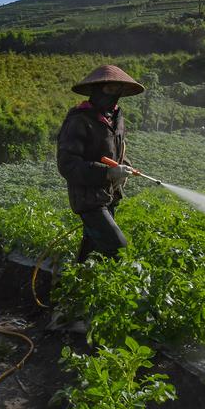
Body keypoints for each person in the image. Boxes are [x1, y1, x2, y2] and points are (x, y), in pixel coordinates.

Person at [57, 64, 145, 261]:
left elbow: (117, 149)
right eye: (109, 89)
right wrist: (107, 173)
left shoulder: (116, 118)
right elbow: (67, 164)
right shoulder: (79, 121)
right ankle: (125, 287)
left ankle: (73, 283)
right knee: (118, 246)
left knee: (93, 248)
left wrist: (125, 165)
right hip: (88, 198)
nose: (113, 95)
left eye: (117, 90)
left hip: (109, 194)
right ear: (96, 89)